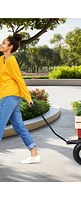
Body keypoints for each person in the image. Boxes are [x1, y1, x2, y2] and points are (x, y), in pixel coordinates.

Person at [0, 33, 40, 164]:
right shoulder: (1, 60)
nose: (1, 44)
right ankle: (34, 154)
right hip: (8, 96)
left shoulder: (11, 60)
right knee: (19, 127)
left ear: (10, 47)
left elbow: (19, 79)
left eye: (4, 43)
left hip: (10, 96)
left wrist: (28, 97)